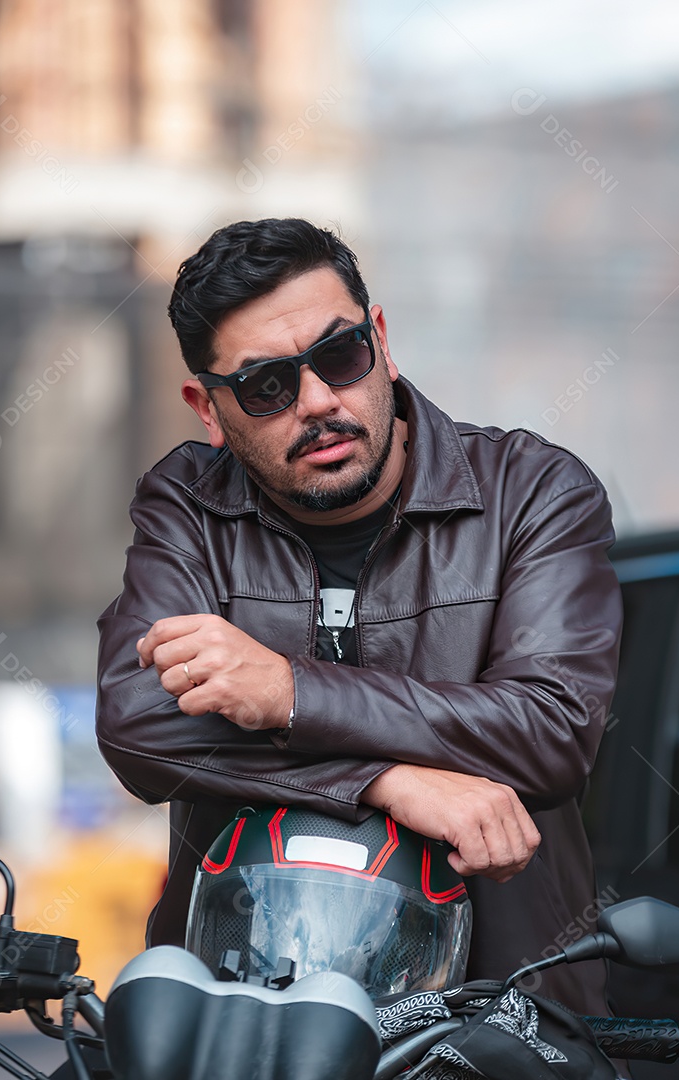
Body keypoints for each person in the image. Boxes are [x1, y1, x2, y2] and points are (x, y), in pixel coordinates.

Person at [95, 217, 623, 1016]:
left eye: (339, 357)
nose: (317, 402)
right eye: (267, 385)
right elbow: (139, 724)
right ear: (209, 409)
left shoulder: (532, 492)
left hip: (501, 1018)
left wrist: (289, 696)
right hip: (234, 1014)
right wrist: (388, 781)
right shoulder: (189, 505)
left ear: (379, 340)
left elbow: (549, 729)